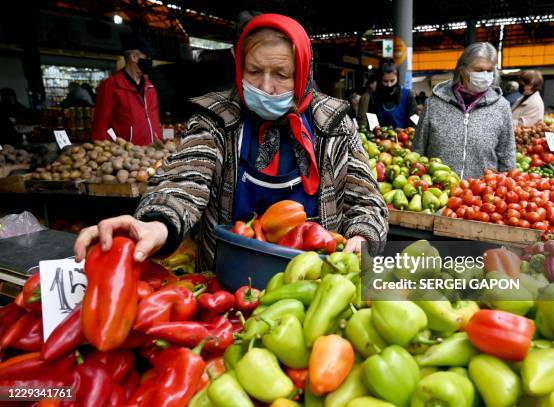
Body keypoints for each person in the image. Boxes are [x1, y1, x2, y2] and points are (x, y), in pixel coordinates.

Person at [74, 14, 388, 269]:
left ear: (303, 72)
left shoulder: (332, 125)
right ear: (239, 67)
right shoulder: (216, 120)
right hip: (226, 287)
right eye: (254, 71)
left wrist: (362, 239)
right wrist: (158, 224)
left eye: (281, 74)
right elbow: (185, 179)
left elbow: (366, 201)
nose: (266, 86)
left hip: (313, 285)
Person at [412, 42, 515, 180]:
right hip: (438, 192)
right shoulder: (434, 104)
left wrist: (506, 189)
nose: (485, 75)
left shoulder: (501, 107)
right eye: (478, 70)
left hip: (482, 194)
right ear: (462, 70)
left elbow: (507, 154)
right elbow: (418, 149)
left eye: (489, 70)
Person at [91, 45, 162, 145]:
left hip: (152, 153)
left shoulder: (150, 87)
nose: (151, 62)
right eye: (147, 58)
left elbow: (155, 120)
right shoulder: (111, 85)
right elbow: (101, 125)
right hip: (127, 156)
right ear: (133, 57)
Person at [357, 60, 417, 129]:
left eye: (392, 81)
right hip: (381, 138)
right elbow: (372, 123)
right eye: (385, 81)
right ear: (380, 79)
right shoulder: (373, 97)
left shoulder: (407, 95)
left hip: (405, 137)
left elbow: (415, 120)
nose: (389, 85)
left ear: (398, 78)